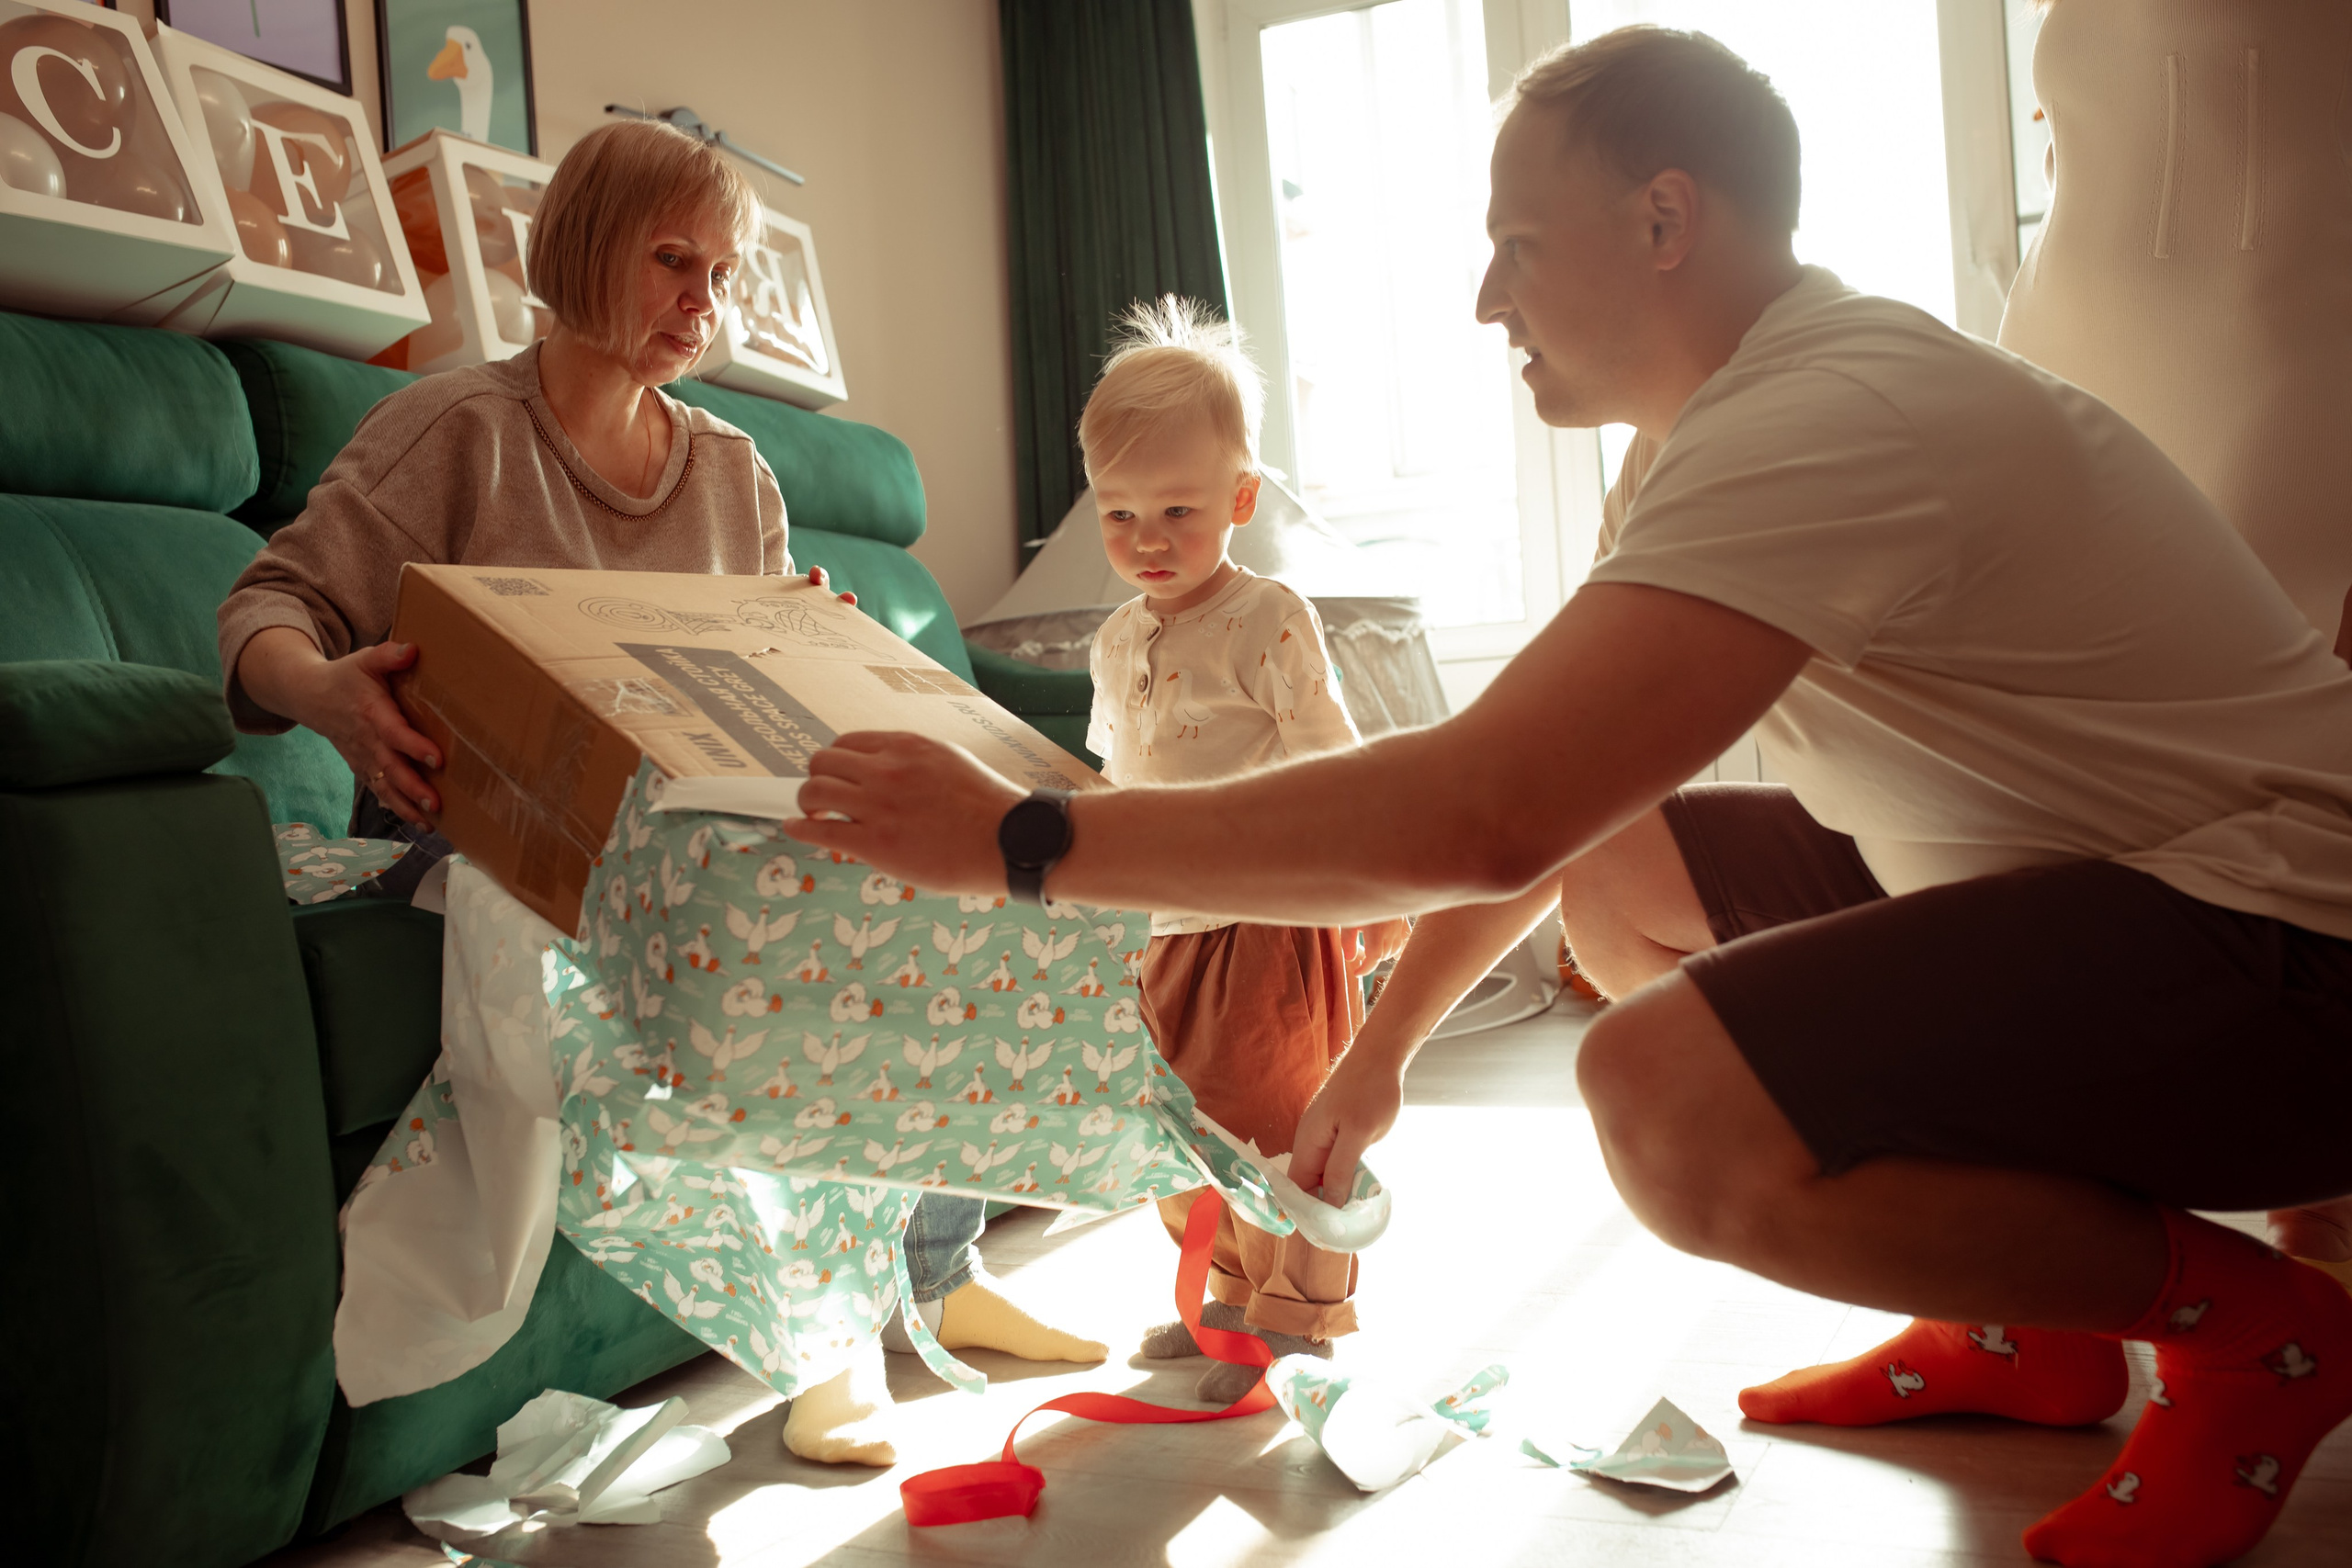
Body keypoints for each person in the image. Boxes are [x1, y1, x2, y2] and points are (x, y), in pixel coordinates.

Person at [782, 27, 2352, 1563]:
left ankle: (2259, 1334)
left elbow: (1481, 807)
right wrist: (1379, 1059)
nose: (1486, 298)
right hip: (2133, 891)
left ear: (1665, 219)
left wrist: (1021, 839)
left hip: (2291, 959)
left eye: (1517, 245)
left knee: (1664, 1101)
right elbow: (1560, 797)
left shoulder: (1827, 417)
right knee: (1621, 875)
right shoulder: (1714, 431)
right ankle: (2025, 1318)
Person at [215, 118, 1101, 1465]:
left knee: (931, 871)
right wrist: (329, 689)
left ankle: (937, 1261)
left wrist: (806, 646)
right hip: (477, 841)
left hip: (700, 831)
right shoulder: (458, 430)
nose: (706, 299)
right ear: (578, 253)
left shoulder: (736, 473)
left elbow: (752, 700)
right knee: (762, 931)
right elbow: (262, 607)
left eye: (724, 272)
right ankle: (824, 1336)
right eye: (673, 259)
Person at [1994, 0, 2352, 1277]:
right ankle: (2029, 1269)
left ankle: (2318, 1234)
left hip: (2285, 343)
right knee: (2058, 787)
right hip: (2082, 347)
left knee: (2285, 771)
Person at [1069, 297, 1410, 1402]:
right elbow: (1117, 786)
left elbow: (1337, 764)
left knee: (1276, 1130)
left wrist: (1370, 891)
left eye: (1178, 508)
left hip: (1269, 919)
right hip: (1160, 929)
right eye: (1119, 515)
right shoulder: (1116, 637)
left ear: (1241, 499)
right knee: (1175, 1130)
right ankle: (1218, 1295)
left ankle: (1295, 1317)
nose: (1148, 540)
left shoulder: (1268, 618)